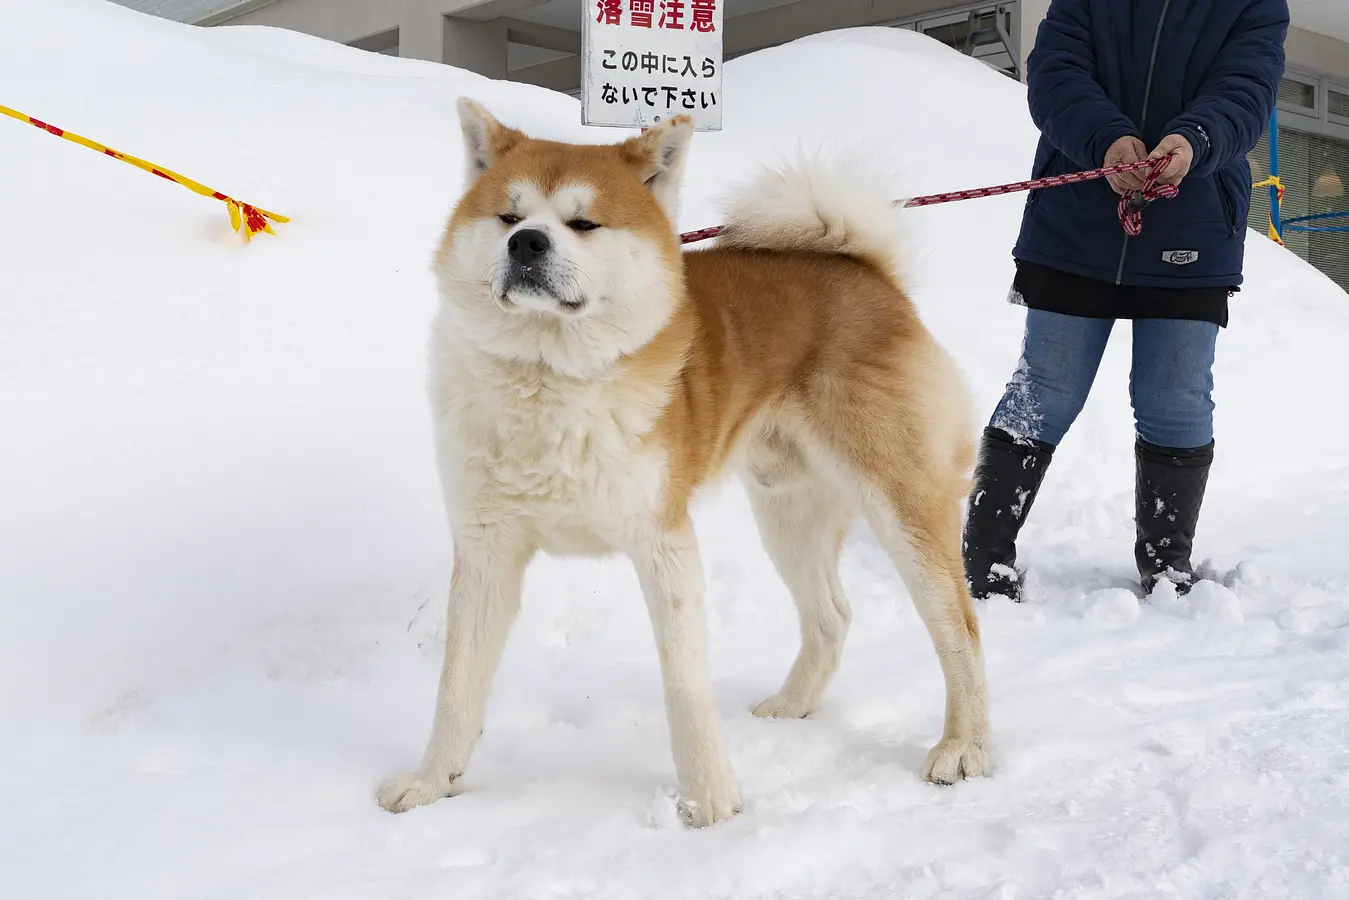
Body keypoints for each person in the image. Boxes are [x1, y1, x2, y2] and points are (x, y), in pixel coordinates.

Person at [962, 0, 1289, 601]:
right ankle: (982, 555)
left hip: (1192, 223)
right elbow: (1056, 69)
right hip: (1076, 219)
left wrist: (1192, 142)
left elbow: (1248, 86)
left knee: (1175, 394)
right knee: (1047, 385)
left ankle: (1167, 569)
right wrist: (1107, 141)